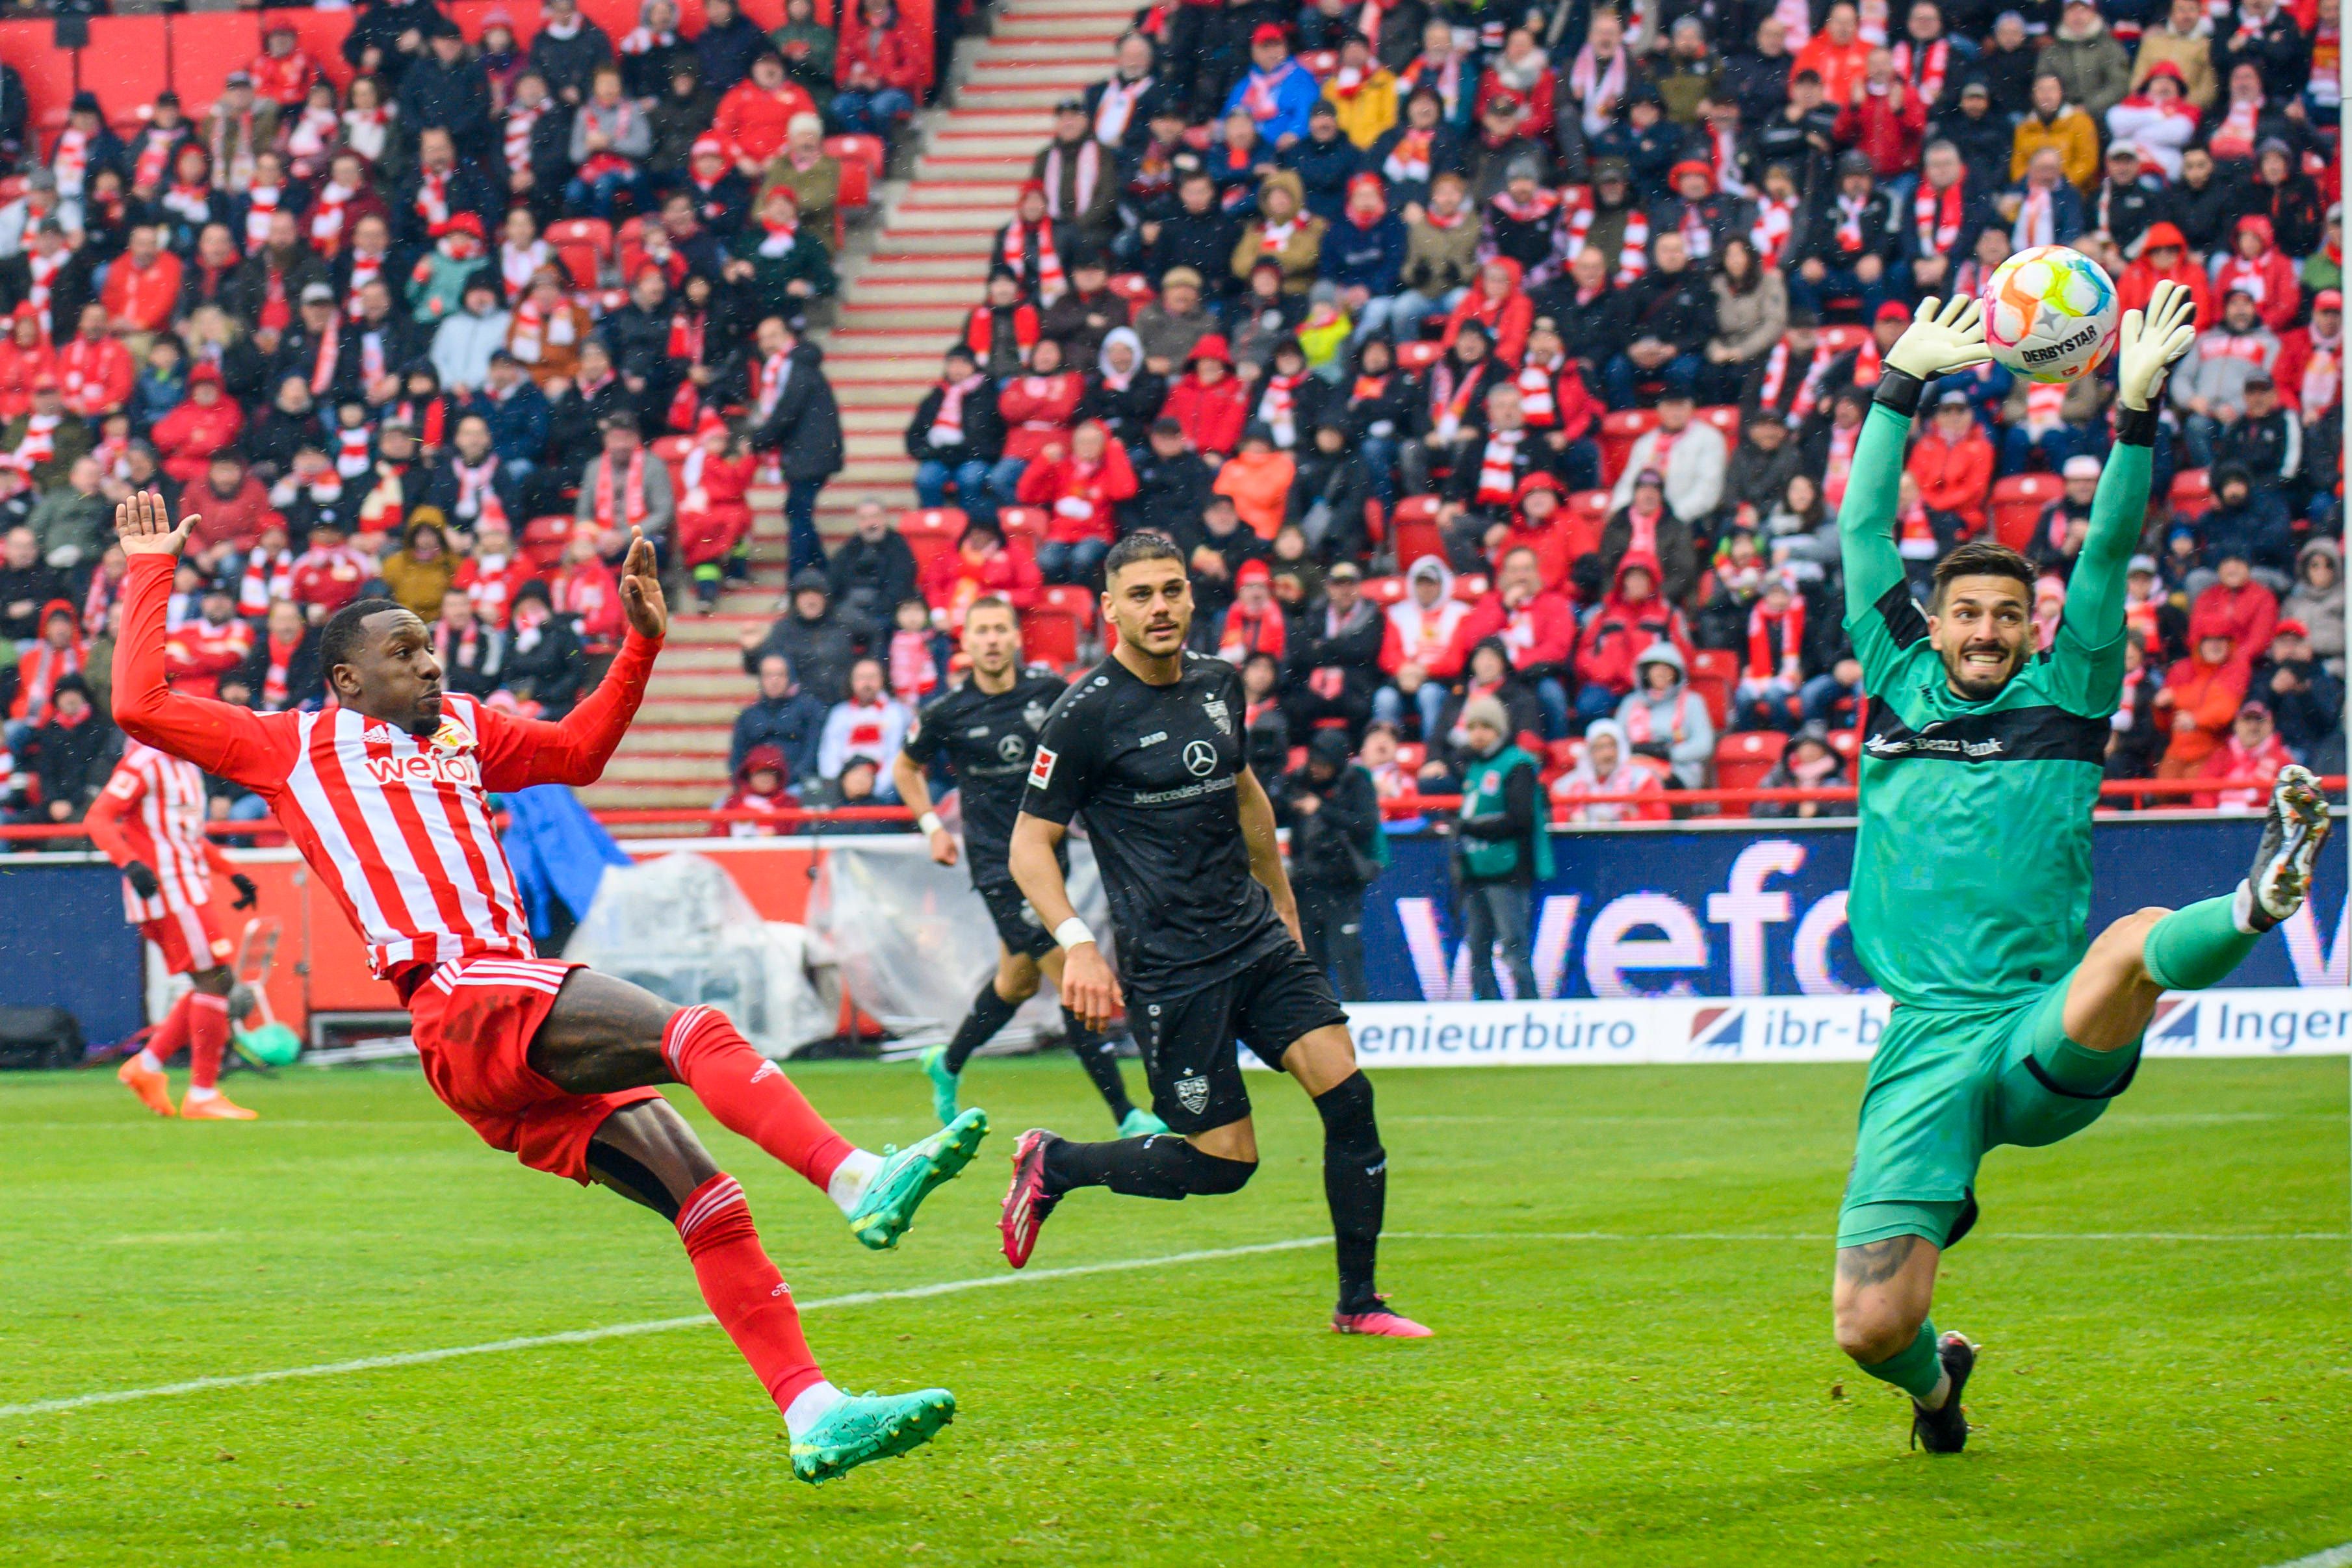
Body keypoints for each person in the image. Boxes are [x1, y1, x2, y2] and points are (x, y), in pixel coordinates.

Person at [108, 491, 981, 1478]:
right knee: (692, 1032)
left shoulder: (461, 728)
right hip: (464, 991)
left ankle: (812, 1410)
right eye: (404, 651)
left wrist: (640, 646)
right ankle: (856, 1177)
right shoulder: (290, 745)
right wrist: (150, 569)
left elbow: (578, 752)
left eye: (431, 645)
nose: (431, 663)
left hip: (491, 1031)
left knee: (707, 1199)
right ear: (346, 680)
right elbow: (141, 703)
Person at [1826, 286, 2330, 1454]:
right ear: (1931, 625)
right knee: (1866, 1325)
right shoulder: (1893, 684)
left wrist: (2134, 413)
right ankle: (1937, 1388)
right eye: (1965, 613)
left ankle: (2255, 897)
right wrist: (1897, 386)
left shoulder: (2067, 694)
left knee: (2130, 942)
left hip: (2034, 1029)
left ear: (2030, 625)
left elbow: (2103, 551)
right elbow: (1860, 534)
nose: (1985, 631)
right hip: (1920, 1048)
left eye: (2007, 614)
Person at [1000, 532, 1427, 1338]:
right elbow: (1028, 844)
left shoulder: (1218, 683)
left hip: (1255, 940)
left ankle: (1359, 1302)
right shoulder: (1083, 716)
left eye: (1171, 590)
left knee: (1350, 1098)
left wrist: (1284, 908)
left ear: (1191, 596)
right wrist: (1077, 941)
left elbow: (1246, 797)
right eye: (1140, 595)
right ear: (1110, 609)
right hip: (1172, 968)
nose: (1159, 607)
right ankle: (1057, 1162)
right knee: (1224, 1164)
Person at [893, 596, 1163, 1138]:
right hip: (998, 867)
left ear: (1016, 637)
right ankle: (1126, 1113)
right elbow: (905, 767)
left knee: (1016, 982)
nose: (992, 639)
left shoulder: (1048, 692)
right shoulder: (947, 712)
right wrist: (932, 826)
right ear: (966, 643)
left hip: (1046, 858)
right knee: (1070, 972)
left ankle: (947, 1062)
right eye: (981, 631)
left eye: (1000, 629)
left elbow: (1085, 751)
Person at [84, 730, 264, 1120]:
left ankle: (148, 1065)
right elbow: (98, 817)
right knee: (215, 979)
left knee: (214, 981)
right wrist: (129, 863)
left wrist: (233, 873)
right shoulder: (145, 762)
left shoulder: (189, 768)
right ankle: (201, 1093)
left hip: (189, 887)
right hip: (168, 890)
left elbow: (188, 838)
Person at [1450, 693, 1550, 1000]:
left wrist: (1472, 828)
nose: (1478, 734)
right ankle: (1488, 1007)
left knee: (1513, 943)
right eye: (1472, 727)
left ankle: (1527, 1006)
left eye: (1485, 727)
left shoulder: (1517, 764)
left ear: (1499, 729)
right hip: (1477, 868)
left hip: (1508, 867)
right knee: (1477, 947)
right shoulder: (1474, 767)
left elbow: (1520, 820)